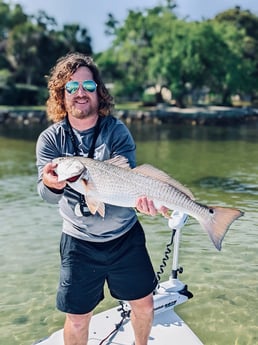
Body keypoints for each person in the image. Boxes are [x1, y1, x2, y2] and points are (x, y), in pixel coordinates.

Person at [36, 52, 165, 345]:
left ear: (99, 91)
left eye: (88, 86)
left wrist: (145, 203)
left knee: (144, 305)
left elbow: (128, 178)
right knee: (78, 319)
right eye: (71, 87)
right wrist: (51, 182)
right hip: (78, 242)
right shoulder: (50, 141)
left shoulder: (116, 130)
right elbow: (46, 195)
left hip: (124, 237)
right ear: (61, 93)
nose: (80, 93)